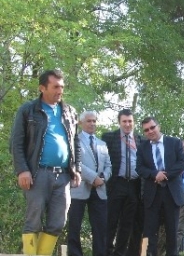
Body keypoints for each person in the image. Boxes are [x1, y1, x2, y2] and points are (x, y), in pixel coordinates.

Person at [10, 69, 82, 256]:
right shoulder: (28, 110)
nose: (60, 91)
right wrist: (22, 170)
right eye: (55, 86)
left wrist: (78, 169)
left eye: (62, 87)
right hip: (37, 173)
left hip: (64, 176)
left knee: (57, 223)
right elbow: (16, 143)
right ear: (42, 88)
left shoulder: (69, 112)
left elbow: (76, 143)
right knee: (33, 220)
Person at [136, 117, 184, 256]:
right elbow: (139, 168)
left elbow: (183, 162)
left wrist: (165, 175)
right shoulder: (142, 147)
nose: (150, 131)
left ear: (158, 126)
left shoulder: (174, 142)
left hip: (172, 194)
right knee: (148, 233)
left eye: (152, 127)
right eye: (146, 130)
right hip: (152, 195)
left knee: (172, 233)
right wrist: (154, 174)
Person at [67, 111, 112, 256]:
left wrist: (103, 178)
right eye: (89, 121)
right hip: (78, 188)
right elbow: (75, 161)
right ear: (81, 123)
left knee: (101, 228)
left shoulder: (102, 144)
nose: (92, 123)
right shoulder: (74, 141)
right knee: (74, 226)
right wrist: (93, 178)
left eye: (94, 121)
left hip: (99, 189)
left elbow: (109, 165)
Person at [102, 109, 144, 256]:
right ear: (119, 122)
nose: (127, 124)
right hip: (115, 184)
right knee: (110, 221)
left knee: (127, 223)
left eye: (130, 121)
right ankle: (106, 252)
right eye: (124, 121)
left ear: (134, 122)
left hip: (134, 185)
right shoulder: (108, 137)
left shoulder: (140, 140)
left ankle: (120, 253)